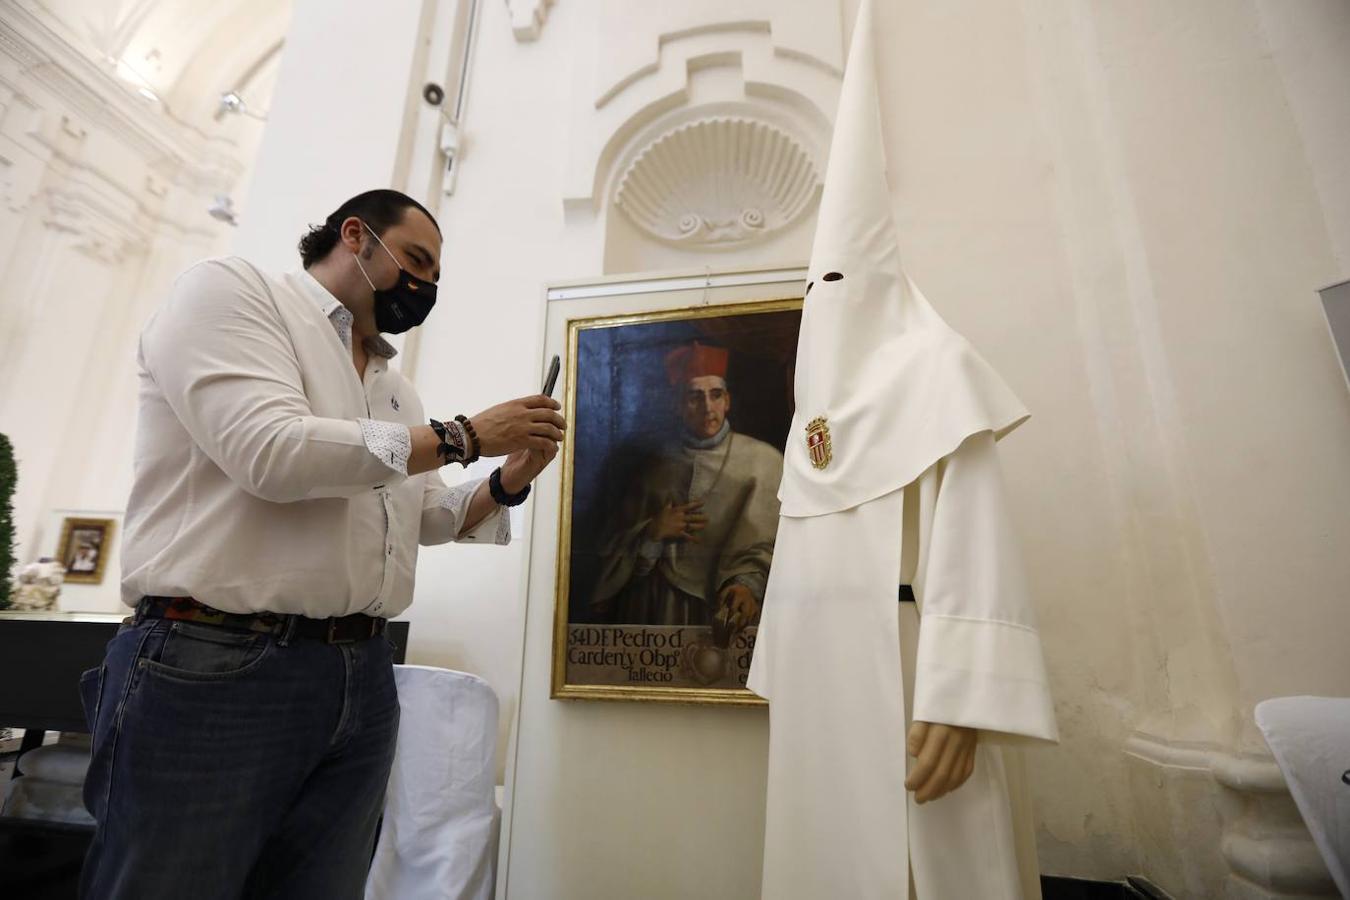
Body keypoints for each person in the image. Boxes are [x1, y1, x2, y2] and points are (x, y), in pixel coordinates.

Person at [79, 189, 566, 899]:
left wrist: (508, 478)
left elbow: (425, 516)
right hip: (215, 663)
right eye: (416, 260)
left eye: (436, 276)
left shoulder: (392, 389)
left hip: (358, 672)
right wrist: (461, 437)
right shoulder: (234, 295)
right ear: (355, 236)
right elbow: (272, 452)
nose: (425, 285)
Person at [748, 2, 1057, 897]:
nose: (825, 300)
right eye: (815, 287)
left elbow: (977, 539)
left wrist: (963, 700)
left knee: (934, 856)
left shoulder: (937, 371)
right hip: (820, 676)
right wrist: (781, 662)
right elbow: (798, 538)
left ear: (884, 283)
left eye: (839, 282)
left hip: (913, 667)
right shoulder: (818, 410)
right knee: (822, 850)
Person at [591, 342, 783, 629]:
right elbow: (608, 551)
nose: (708, 407)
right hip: (654, 608)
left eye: (715, 395)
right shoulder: (654, 467)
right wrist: (652, 532)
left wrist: (747, 584)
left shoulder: (764, 461)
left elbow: (770, 546)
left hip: (723, 609)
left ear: (727, 401)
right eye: (695, 397)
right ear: (678, 406)